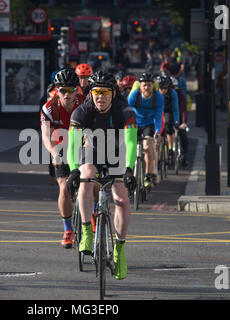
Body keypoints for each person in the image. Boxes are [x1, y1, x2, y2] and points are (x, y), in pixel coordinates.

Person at [66, 71, 137, 280]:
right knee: (86, 175)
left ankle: (119, 251)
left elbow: (132, 142)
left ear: (113, 93)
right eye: (96, 91)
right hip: (93, 151)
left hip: (118, 151)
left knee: (122, 199)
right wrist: (72, 170)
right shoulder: (81, 111)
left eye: (105, 92)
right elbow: (72, 145)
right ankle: (87, 230)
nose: (100, 96)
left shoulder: (124, 109)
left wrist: (130, 169)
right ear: (91, 93)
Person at [40, 69, 85, 249]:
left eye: (70, 90)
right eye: (62, 90)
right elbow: (46, 136)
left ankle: (94, 215)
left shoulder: (85, 104)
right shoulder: (49, 108)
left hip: (82, 145)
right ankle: (68, 229)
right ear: (56, 91)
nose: (67, 94)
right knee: (65, 188)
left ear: (77, 90)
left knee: (93, 182)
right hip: (61, 147)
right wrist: (53, 152)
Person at [127, 73, 164, 188]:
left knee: (148, 146)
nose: (146, 87)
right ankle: (129, 172)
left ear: (153, 86)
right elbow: (126, 111)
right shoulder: (134, 96)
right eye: (144, 85)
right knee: (129, 146)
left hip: (149, 124)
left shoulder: (158, 97)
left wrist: (157, 131)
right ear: (140, 86)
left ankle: (148, 175)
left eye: (149, 85)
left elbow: (158, 116)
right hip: (134, 123)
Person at [157, 76, 180, 163]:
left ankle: (170, 149)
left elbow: (175, 109)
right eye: (161, 88)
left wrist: (176, 121)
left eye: (165, 88)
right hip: (158, 110)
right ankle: (158, 156)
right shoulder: (155, 93)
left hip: (168, 110)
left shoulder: (172, 93)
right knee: (159, 132)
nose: (163, 90)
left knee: (168, 125)